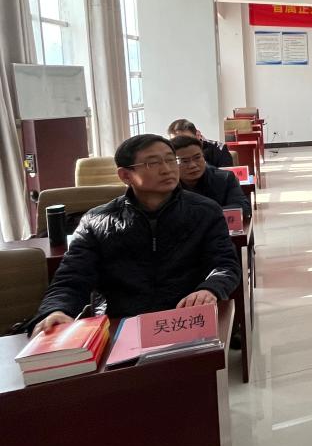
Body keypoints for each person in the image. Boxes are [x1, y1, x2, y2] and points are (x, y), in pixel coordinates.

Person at [26, 134, 241, 336]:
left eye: (170, 160)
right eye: (153, 163)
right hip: (119, 325)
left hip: (183, 318)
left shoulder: (205, 211)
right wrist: (57, 309)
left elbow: (224, 264)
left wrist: (210, 289)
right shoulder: (96, 221)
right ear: (125, 175)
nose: (167, 169)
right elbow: (71, 277)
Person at [170, 136, 252, 220]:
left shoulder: (225, 178)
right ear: (171, 163)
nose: (193, 165)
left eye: (197, 157)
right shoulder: (167, 186)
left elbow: (243, 208)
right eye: (184, 161)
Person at [167, 118, 232, 168]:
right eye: (175, 142)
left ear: (197, 135)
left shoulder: (219, 149)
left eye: (186, 140)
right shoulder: (169, 153)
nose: (182, 145)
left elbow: (226, 175)